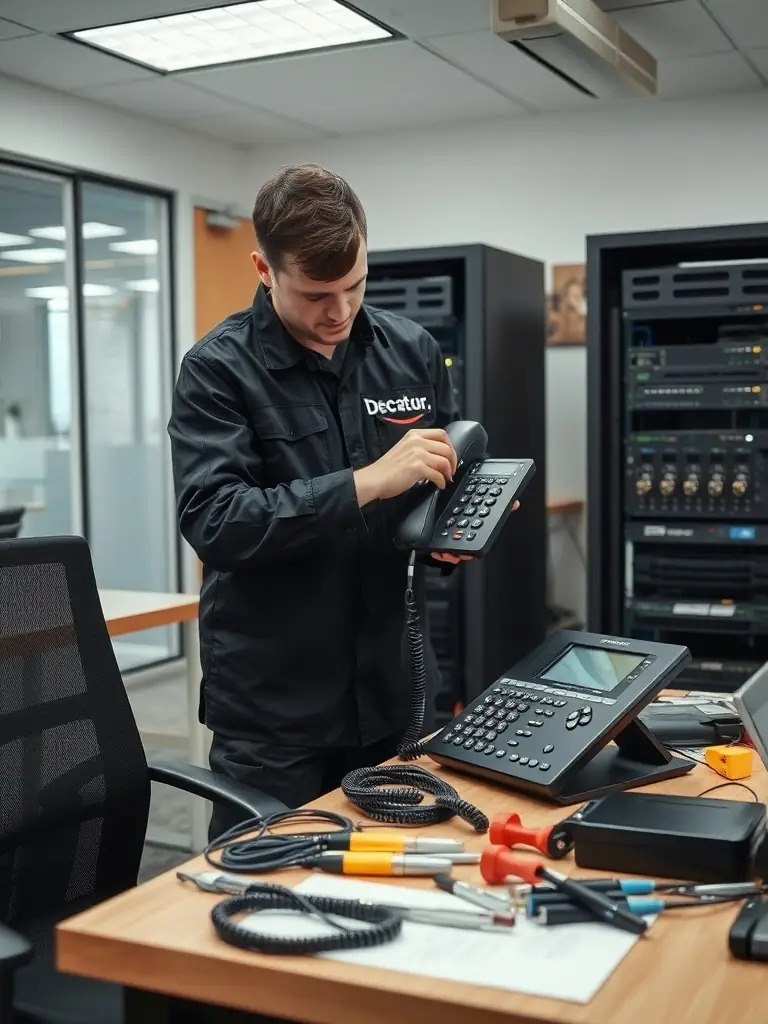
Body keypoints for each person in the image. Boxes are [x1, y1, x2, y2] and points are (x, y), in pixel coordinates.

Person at [168, 164, 473, 838]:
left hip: (390, 692)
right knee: (263, 898)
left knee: (397, 892)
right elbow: (217, 523)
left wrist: (449, 536)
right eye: (315, 294)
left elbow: (433, 490)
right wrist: (369, 481)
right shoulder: (218, 369)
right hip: (276, 713)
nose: (338, 311)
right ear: (263, 267)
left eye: (355, 285)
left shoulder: (412, 352)